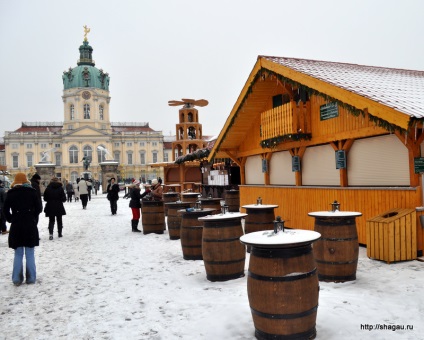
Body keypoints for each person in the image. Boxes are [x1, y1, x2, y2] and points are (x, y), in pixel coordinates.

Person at [3, 172, 42, 285]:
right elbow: (39, 208)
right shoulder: (32, 192)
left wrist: (11, 219)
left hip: (17, 224)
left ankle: (16, 278)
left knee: (18, 252)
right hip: (29, 223)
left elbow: (5, 210)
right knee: (30, 252)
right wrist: (33, 217)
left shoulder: (10, 193)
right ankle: (31, 278)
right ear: (26, 181)